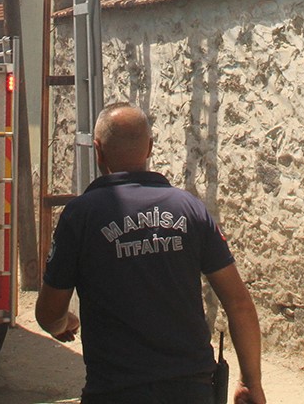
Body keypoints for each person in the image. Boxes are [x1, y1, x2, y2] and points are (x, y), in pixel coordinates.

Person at [36, 102, 266, 404]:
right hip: (191, 389)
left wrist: (63, 323)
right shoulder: (190, 209)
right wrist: (250, 381)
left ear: (97, 150)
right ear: (150, 148)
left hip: (115, 392)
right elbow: (239, 303)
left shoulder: (80, 216)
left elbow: (48, 313)